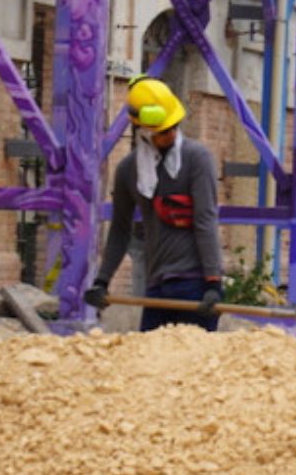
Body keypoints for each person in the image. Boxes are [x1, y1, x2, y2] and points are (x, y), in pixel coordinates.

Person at [86, 76, 225, 331]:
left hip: (195, 283)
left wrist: (213, 282)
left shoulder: (197, 159)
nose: (170, 135)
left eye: (174, 127)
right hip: (157, 285)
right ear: (144, 131)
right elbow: (119, 230)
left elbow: (205, 220)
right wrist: (102, 282)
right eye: (163, 132)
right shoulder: (129, 170)